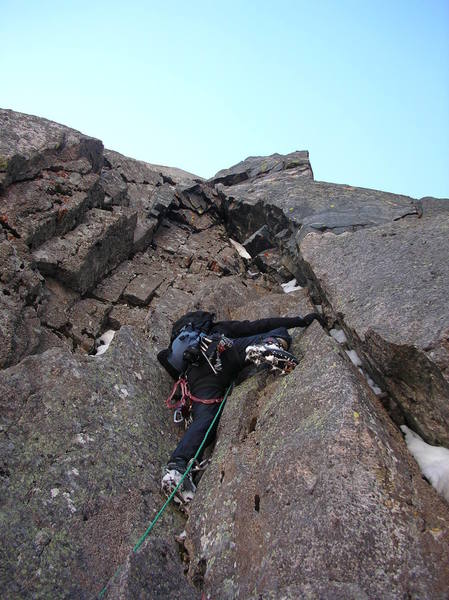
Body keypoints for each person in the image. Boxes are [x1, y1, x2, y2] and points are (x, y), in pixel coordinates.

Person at [157, 311, 324, 506]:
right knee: (277, 331)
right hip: (221, 352)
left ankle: (177, 468)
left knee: (205, 420)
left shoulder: (179, 353)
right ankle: (269, 345)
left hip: (197, 377)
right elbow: (258, 324)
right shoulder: (216, 329)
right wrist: (300, 321)